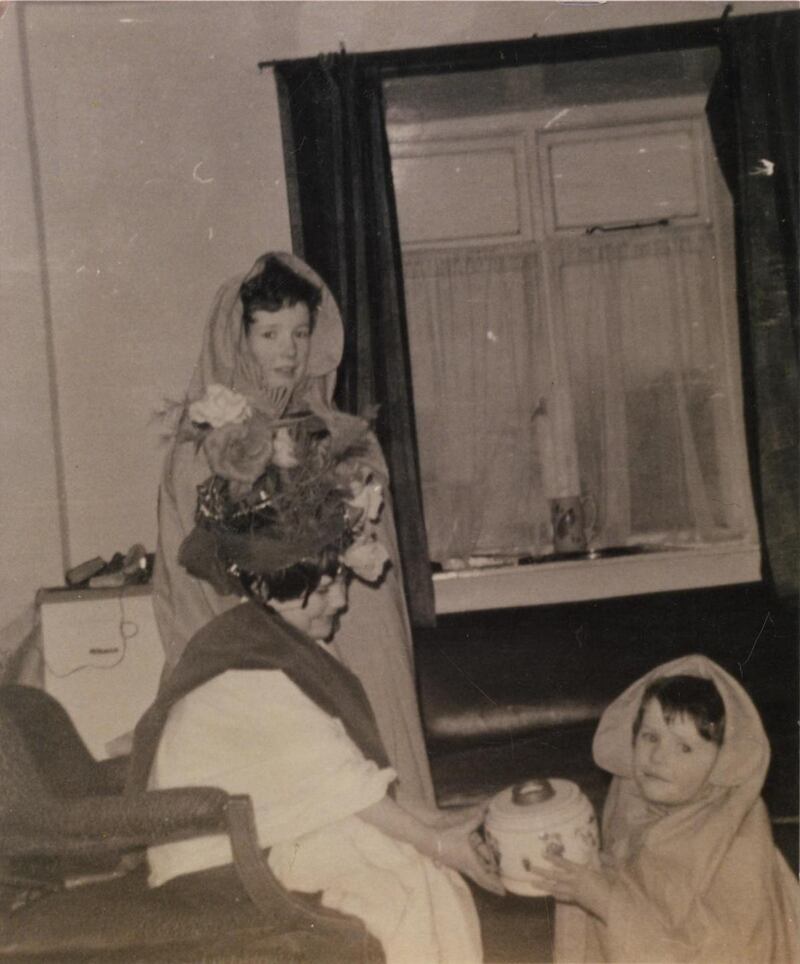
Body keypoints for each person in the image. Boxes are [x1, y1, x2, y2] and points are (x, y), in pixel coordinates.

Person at [129, 409, 500, 963]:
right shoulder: (249, 671)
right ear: (271, 587)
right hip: (217, 861)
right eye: (326, 588)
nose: (342, 600)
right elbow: (352, 793)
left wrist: (449, 823)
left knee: (420, 875)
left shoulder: (270, 639)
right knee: (403, 888)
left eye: (340, 581)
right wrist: (446, 843)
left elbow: (346, 786)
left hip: (272, 832)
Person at [153, 251, 434, 806]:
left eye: (301, 333)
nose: (289, 350)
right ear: (240, 339)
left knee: (373, 744)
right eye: (270, 333)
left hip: (353, 626)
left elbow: (373, 543)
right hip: (255, 635)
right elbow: (192, 562)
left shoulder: (342, 434)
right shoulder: (205, 447)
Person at [529, 654, 800, 963]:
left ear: (722, 761)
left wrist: (605, 901)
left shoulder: (736, 842)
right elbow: (637, 887)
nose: (658, 757)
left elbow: (726, 954)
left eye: (684, 747)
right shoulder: (634, 800)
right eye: (650, 736)